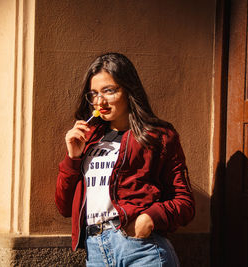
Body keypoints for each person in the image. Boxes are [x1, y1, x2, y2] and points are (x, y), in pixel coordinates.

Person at [55, 52, 195, 267]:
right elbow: (65, 207)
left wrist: (149, 219)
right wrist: (73, 158)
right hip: (95, 251)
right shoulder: (88, 139)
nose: (100, 101)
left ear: (128, 90)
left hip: (141, 249)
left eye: (109, 91)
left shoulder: (158, 136)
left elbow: (184, 202)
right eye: (93, 93)